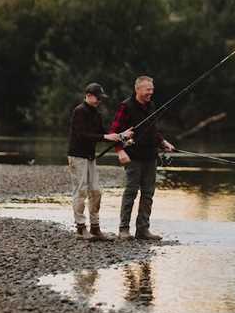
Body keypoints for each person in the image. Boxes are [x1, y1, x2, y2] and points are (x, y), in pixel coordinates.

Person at [109, 75, 175, 240]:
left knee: (148, 193)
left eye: (152, 89)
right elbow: (114, 132)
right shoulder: (126, 106)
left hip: (150, 155)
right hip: (133, 156)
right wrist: (120, 151)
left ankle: (143, 230)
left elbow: (153, 130)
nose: (151, 92)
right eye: (148, 89)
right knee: (131, 192)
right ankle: (123, 229)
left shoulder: (151, 105)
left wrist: (163, 142)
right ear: (137, 89)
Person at [67, 83, 133, 240]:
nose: (99, 101)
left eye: (100, 98)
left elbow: (102, 133)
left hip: (90, 157)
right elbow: (82, 134)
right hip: (77, 156)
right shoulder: (79, 111)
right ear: (88, 95)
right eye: (97, 98)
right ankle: (81, 228)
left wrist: (121, 136)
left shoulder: (96, 113)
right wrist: (105, 137)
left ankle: (95, 228)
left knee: (96, 191)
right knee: (81, 191)